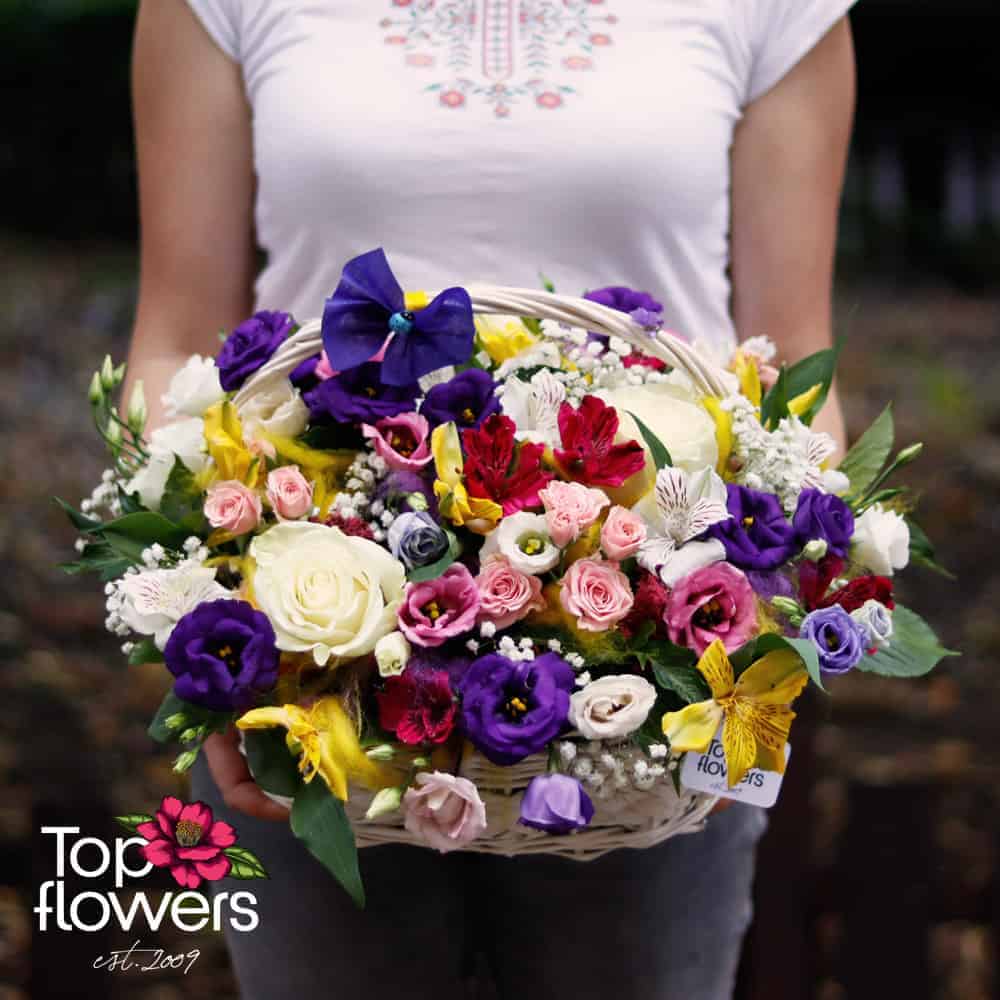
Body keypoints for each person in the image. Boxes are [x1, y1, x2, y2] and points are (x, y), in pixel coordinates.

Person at [125, 1, 855, 996]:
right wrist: (209, 642)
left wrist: (758, 665)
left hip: (661, 677)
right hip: (308, 677)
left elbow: (796, 374)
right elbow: (173, 346)